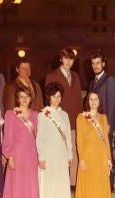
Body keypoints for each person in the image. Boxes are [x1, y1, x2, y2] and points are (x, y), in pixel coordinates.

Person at [0, 87, 39, 198]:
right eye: (21, 96)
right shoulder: (11, 114)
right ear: (17, 99)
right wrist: (9, 156)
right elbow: (8, 136)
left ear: (30, 98)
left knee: (31, 186)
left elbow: (38, 136)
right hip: (17, 154)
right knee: (19, 186)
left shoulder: (35, 115)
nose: (24, 99)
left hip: (32, 154)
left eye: (27, 96)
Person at [73, 92, 113, 198]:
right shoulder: (81, 117)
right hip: (88, 157)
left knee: (100, 188)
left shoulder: (103, 117)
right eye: (91, 99)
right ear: (87, 101)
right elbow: (79, 140)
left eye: (96, 99)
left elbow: (106, 140)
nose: (94, 101)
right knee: (89, 187)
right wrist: (82, 159)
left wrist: (108, 159)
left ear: (100, 101)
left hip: (101, 157)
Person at [36, 82, 73, 198]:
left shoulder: (64, 115)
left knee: (61, 186)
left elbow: (68, 136)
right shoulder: (43, 114)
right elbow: (40, 138)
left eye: (59, 96)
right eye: (54, 96)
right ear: (48, 97)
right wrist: (41, 157)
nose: (56, 99)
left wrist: (70, 155)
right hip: (49, 156)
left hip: (62, 155)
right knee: (50, 187)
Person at [45, 48, 82, 186]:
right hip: (57, 120)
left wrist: (80, 120)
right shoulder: (51, 75)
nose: (68, 61)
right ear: (61, 59)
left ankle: (72, 184)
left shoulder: (76, 76)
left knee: (73, 152)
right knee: (58, 153)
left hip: (73, 121)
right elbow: (49, 100)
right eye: (66, 58)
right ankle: (58, 183)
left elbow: (78, 99)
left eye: (71, 59)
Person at [89, 51, 115, 190]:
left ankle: (109, 183)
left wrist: (109, 126)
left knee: (107, 154)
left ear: (104, 64)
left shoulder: (110, 80)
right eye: (93, 63)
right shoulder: (91, 82)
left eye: (98, 63)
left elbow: (112, 105)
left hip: (104, 125)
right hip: (93, 124)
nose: (95, 66)